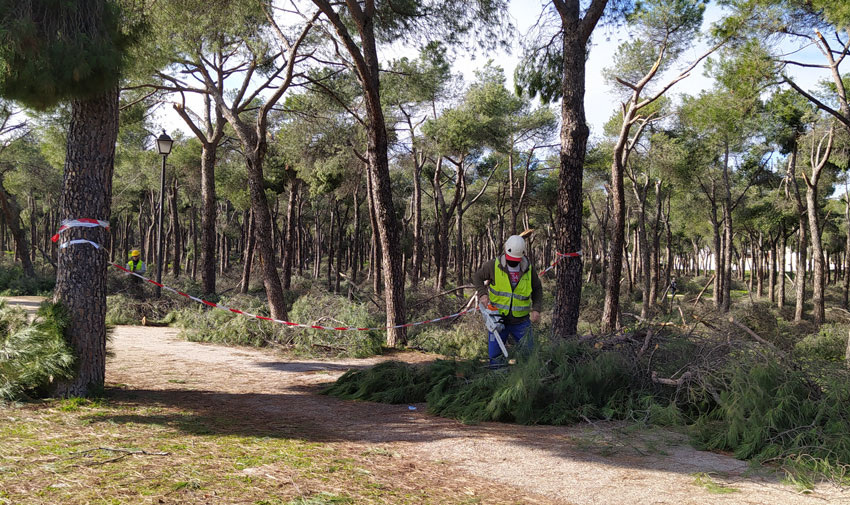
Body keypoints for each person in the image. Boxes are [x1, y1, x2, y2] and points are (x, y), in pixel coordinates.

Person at [472, 235, 543, 367]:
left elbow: (537, 288)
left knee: (529, 355)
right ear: (505, 251)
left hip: (521, 322)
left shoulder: (528, 269)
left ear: (522, 256)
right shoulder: (493, 265)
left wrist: (536, 309)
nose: (513, 262)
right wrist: (482, 294)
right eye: (511, 260)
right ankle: (498, 379)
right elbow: (477, 277)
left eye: (516, 260)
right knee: (495, 357)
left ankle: (526, 380)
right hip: (497, 320)